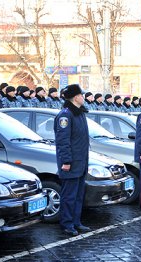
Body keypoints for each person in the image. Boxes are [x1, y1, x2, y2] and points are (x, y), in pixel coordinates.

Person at [54, 84, 91, 236]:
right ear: (76, 97)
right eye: (82, 95)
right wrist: (66, 162)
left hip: (81, 162)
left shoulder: (79, 113)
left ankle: (76, 221)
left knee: (78, 195)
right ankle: (67, 224)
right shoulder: (66, 115)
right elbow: (63, 142)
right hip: (71, 163)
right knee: (69, 196)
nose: (84, 97)